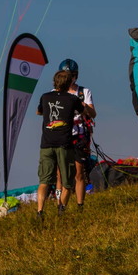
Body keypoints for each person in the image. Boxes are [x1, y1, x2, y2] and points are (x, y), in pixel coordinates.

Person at [36, 70, 84, 219]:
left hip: (46, 144)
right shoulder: (72, 99)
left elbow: (39, 112)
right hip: (64, 144)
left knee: (44, 181)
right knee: (67, 181)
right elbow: (83, 112)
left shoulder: (45, 97)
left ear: (54, 82)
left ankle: (40, 211)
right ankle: (61, 210)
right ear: (69, 83)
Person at [55, 59, 96, 209]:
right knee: (60, 174)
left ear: (75, 76)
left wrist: (83, 105)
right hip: (61, 135)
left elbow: (93, 113)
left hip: (79, 136)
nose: (69, 78)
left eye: (71, 75)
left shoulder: (84, 92)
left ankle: (80, 205)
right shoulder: (55, 94)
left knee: (79, 172)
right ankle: (59, 205)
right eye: (65, 75)